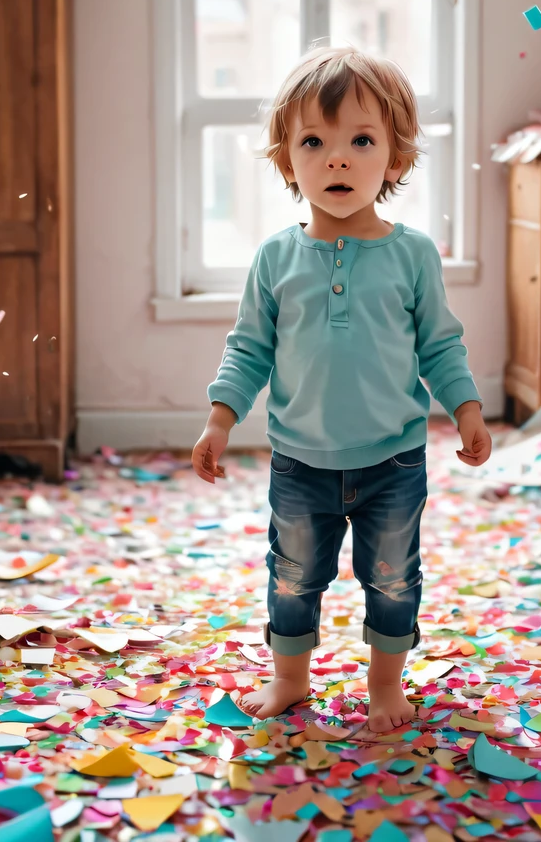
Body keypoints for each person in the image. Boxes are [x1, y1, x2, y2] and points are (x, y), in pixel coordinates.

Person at [192, 45, 492, 733]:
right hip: (300, 463)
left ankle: (385, 685)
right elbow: (249, 347)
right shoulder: (274, 258)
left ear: (395, 160)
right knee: (293, 576)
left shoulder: (413, 255)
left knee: (391, 578)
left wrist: (468, 409)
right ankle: (290, 678)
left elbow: (440, 344)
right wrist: (219, 419)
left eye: (361, 140)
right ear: (286, 160)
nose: (338, 158)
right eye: (314, 142)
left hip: (393, 461)